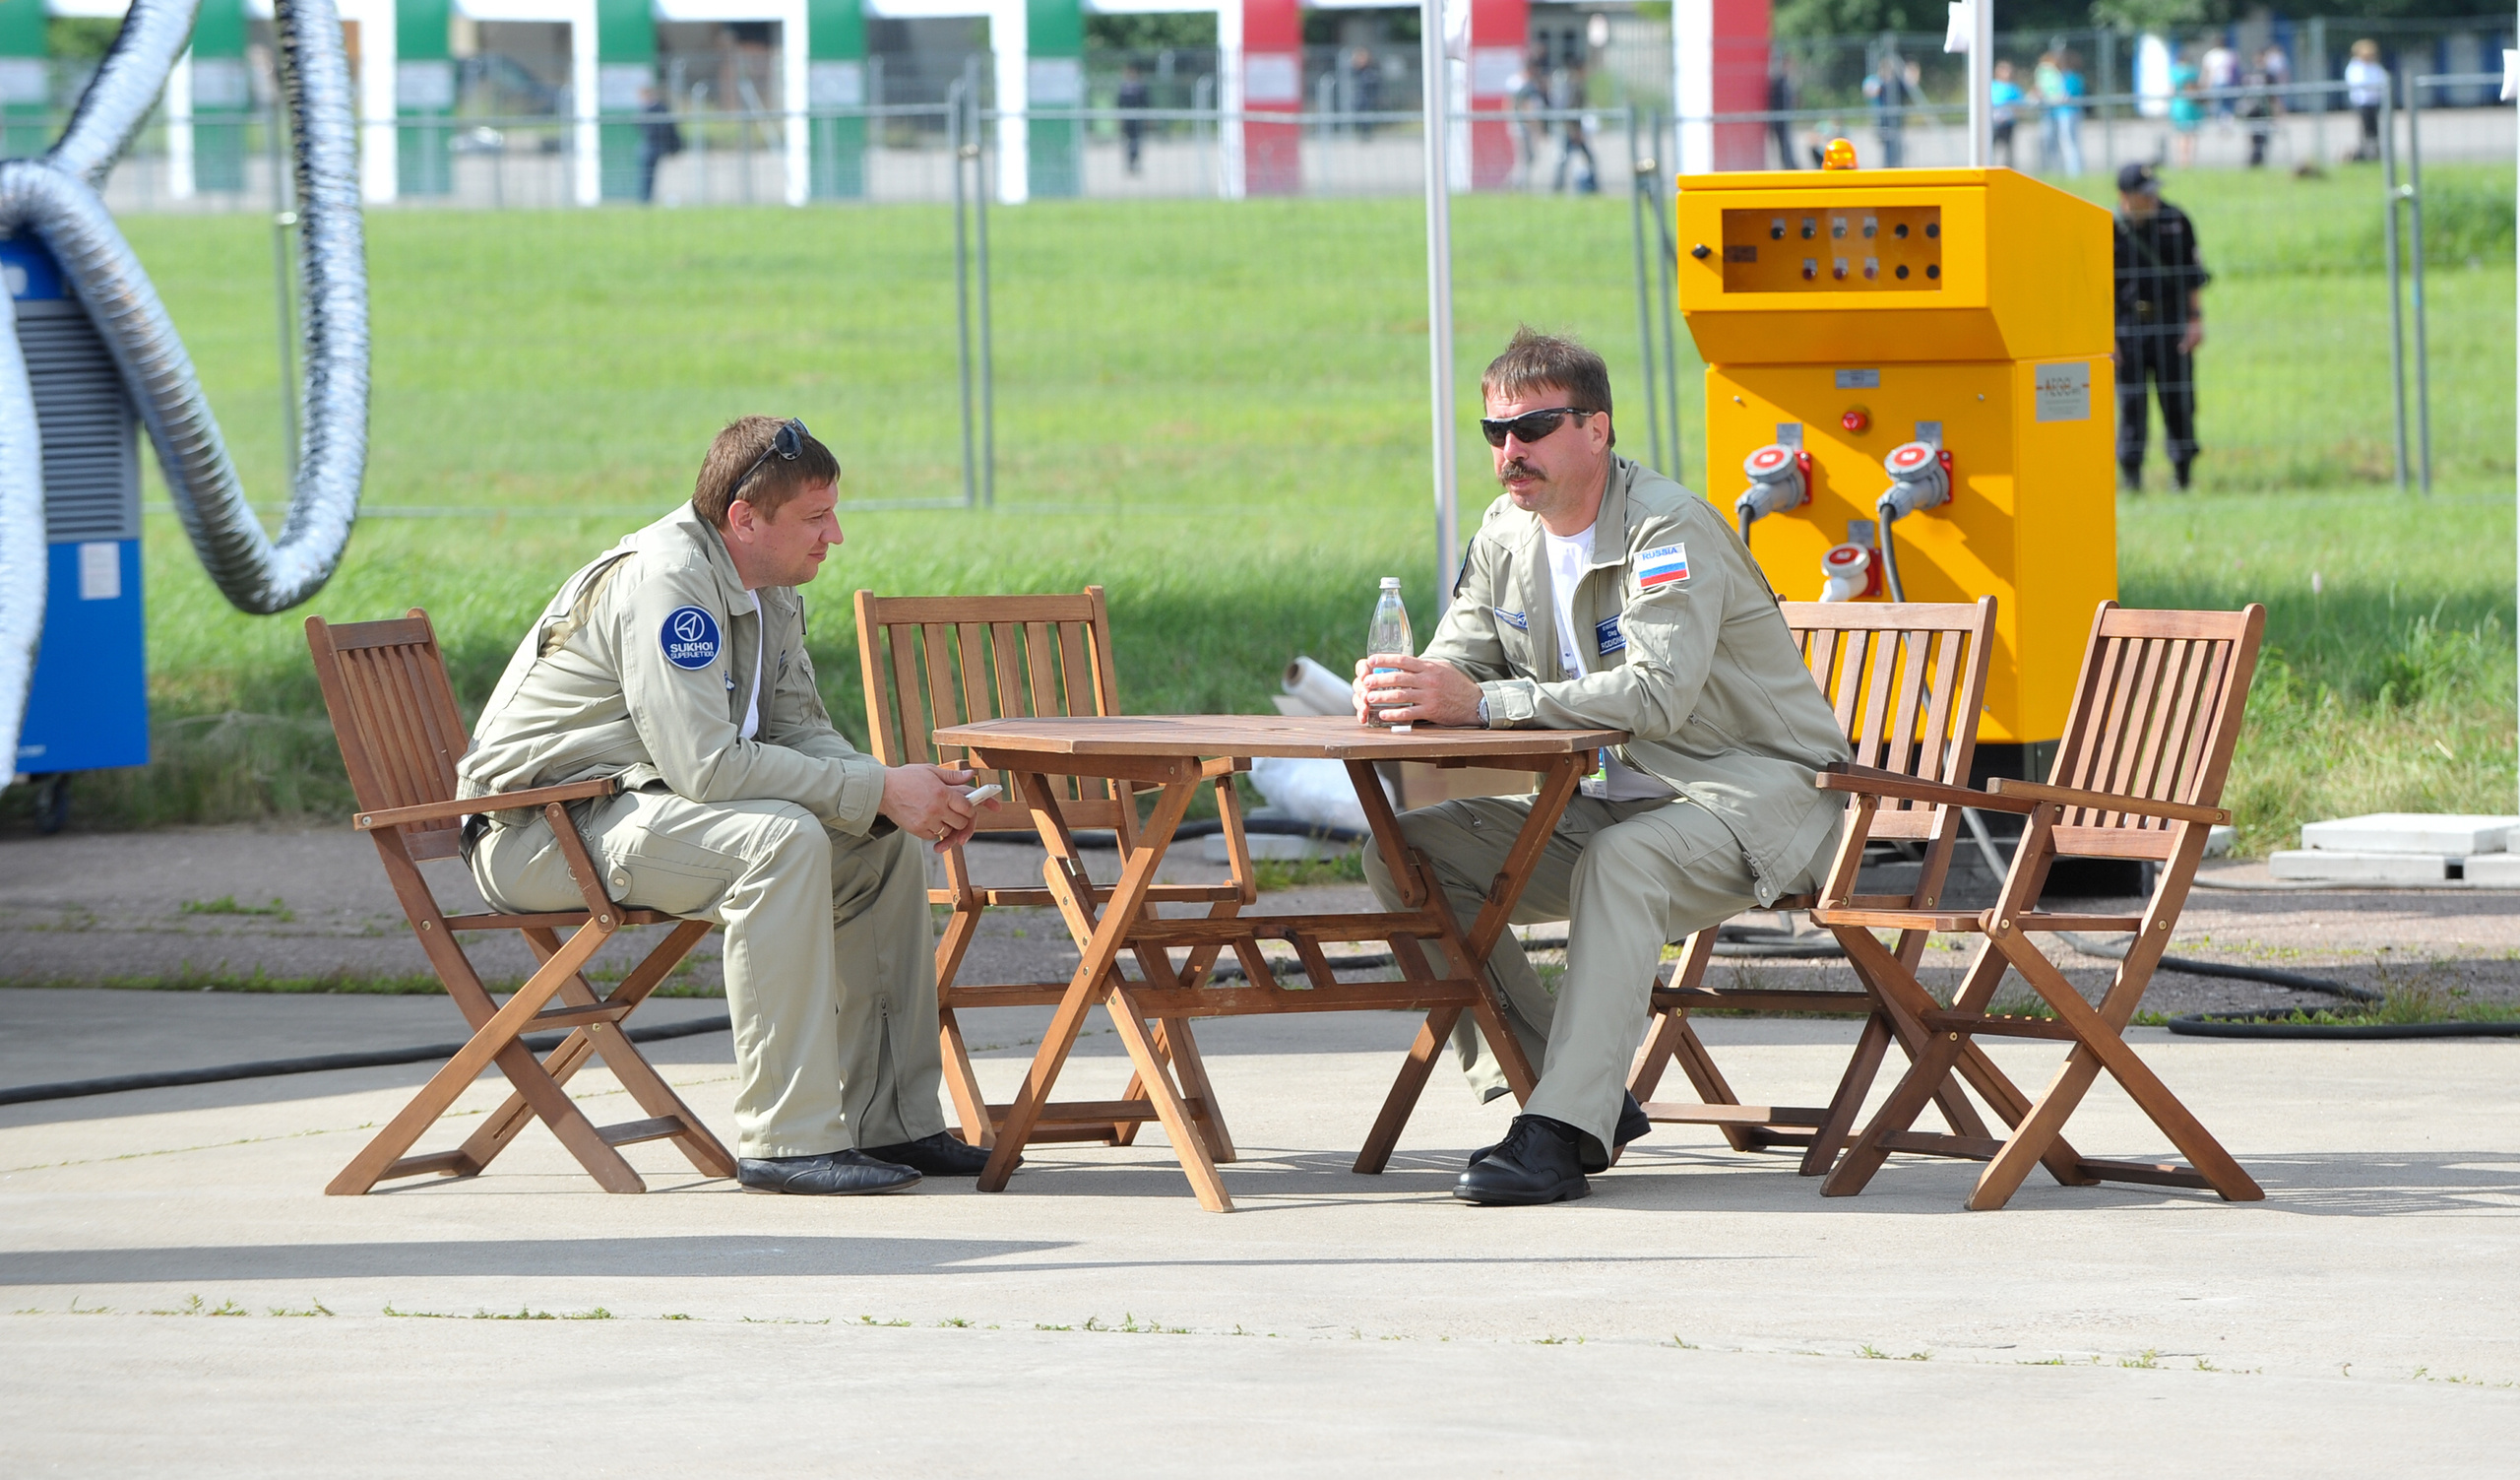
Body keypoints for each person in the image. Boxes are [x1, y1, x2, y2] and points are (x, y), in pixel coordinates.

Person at [1353, 329, 1852, 1206]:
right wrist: (1412, 689)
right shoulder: (1506, 530)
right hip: (1618, 802)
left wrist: (1485, 704)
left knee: (1622, 862)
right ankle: (1562, 1095)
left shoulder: (1667, 526)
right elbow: (1462, 662)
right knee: (1402, 855)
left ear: (1596, 429)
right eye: (1496, 431)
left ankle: (1559, 1132)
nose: (1511, 450)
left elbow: (1657, 694)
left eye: (1533, 427)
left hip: (1765, 799)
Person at [457, 417, 1003, 1195]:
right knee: (779, 841)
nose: (836, 535)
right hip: (538, 829)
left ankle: (893, 1121)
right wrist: (881, 788)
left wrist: (894, 791)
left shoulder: (768, 584)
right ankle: (787, 1139)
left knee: (876, 842)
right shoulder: (669, 582)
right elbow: (706, 765)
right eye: (816, 518)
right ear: (744, 518)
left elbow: (799, 728)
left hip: (628, 806)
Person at [2112, 164, 2210, 490]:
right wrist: (2107, 336)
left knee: (2178, 400)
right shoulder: (2107, 229)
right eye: (2145, 193)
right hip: (2127, 327)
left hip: (2171, 323)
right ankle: (2131, 477)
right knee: (2131, 404)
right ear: (2125, 197)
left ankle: (2183, 475)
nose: (2153, 198)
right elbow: (2097, 290)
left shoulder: (2175, 221)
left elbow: (2192, 275)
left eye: (2154, 190)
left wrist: (2195, 320)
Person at [1863, 46, 1917, 168]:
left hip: (1895, 121)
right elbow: (1870, 91)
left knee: (1896, 147)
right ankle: (1889, 167)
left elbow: (1910, 85)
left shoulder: (1896, 84)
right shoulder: (1879, 84)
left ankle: (1894, 166)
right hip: (1884, 121)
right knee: (1888, 147)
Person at [636, 86, 683, 204]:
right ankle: (645, 198)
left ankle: (646, 199)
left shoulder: (659, 109)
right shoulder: (646, 109)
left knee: (648, 173)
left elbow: (667, 129)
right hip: (650, 145)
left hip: (654, 146)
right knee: (646, 173)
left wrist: (674, 148)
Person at [2345, 39, 2387, 162]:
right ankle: (2364, 151)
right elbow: (2355, 81)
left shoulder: (2375, 67)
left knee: (2374, 127)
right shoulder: (2355, 67)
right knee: (2365, 127)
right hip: (2362, 101)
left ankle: (2375, 151)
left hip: (2374, 101)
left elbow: (2383, 79)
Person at [2169, 46, 2203, 168]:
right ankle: (2190, 160)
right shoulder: (2193, 71)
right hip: (2192, 104)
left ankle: (2183, 159)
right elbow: (2196, 87)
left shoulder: (2174, 71)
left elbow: (2172, 89)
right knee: (2192, 134)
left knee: (2182, 134)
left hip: (2178, 104)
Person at [1116, 63, 1150, 175]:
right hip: (1127, 119)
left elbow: (1146, 103)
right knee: (1127, 142)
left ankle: (1135, 161)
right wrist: (1120, 118)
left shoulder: (1141, 87)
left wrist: (1147, 118)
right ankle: (1129, 162)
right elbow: (1119, 104)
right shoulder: (1124, 88)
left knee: (1137, 141)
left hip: (1138, 119)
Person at [1767, 56, 1799, 169]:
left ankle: (1790, 165)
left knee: (1787, 143)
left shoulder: (1787, 82)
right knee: (1783, 143)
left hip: (1785, 118)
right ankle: (1788, 165)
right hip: (1779, 119)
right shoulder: (1779, 83)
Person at [1989, 59, 2023, 168]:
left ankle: (2008, 168)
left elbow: (2019, 105)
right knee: (1990, 146)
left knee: (2007, 149)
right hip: (1994, 123)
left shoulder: (2014, 88)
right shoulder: (1992, 86)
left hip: (2007, 123)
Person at [1348, 47, 1382, 137]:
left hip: (1368, 99)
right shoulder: (1354, 71)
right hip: (1359, 98)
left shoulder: (1371, 70)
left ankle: (1366, 133)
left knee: (1366, 115)